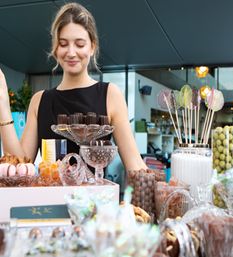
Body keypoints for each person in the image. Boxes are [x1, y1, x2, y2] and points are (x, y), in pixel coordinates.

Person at [0, 2, 146, 171]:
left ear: (92, 47)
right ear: (55, 49)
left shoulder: (110, 94)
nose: (70, 52)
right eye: (63, 44)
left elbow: (135, 165)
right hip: (48, 197)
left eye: (79, 44)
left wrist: (162, 189)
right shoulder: (40, 100)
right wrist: (3, 104)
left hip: (94, 198)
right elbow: (18, 168)